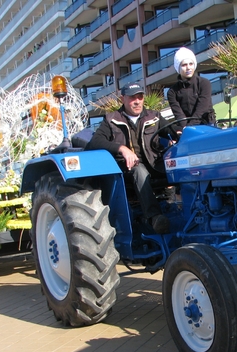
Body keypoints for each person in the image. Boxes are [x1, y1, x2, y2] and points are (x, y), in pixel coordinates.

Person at [86, 82, 171, 234]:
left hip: (154, 164)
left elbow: (171, 130)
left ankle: (181, 208)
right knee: (140, 171)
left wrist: (177, 135)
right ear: (123, 99)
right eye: (133, 98)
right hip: (128, 168)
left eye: (140, 97)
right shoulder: (111, 120)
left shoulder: (155, 117)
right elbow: (96, 141)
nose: (137, 101)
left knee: (179, 166)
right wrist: (122, 149)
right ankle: (155, 217)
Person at [167, 47, 216, 134]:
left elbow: (202, 107)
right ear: (178, 67)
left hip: (207, 125)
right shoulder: (172, 92)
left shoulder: (204, 83)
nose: (188, 67)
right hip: (187, 128)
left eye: (191, 64)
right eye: (184, 65)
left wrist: (190, 127)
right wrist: (187, 128)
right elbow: (179, 114)